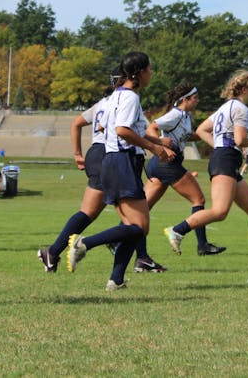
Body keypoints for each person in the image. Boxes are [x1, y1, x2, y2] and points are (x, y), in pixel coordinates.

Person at [163, 70, 248, 266]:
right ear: (243, 89)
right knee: (220, 211)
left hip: (225, 158)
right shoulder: (241, 109)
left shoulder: (226, 107)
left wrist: (219, 146)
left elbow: (201, 130)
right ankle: (177, 230)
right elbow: (240, 139)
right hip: (225, 160)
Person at [66, 52, 176, 290]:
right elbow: (122, 130)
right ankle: (84, 244)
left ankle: (116, 279)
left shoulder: (116, 96)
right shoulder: (130, 98)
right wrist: (154, 149)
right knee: (139, 227)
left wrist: (156, 143)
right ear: (139, 73)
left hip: (116, 161)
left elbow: (124, 128)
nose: (152, 73)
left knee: (132, 227)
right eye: (149, 69)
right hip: (121, 162)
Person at [141, 83, 226, 263]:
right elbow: (151, 128)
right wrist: (161, 144)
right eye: (195, 98)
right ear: (185, 99)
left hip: (159, 163)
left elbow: (188, 136)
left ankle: (117, 240)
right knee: (199, 200)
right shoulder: (176, 114)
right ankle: (200, 244)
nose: (198, 101)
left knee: (142, 207)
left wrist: (214, 134)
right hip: (167, 163)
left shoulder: (185, 116)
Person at [36, 88, 114, 273]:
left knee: (89, 212)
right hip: (109, 154)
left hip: (96, 152)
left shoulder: (100, 104)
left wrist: (78, 154)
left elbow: (76, 123)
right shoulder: (123, 101)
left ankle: (53, 252)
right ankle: (124, 248)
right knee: (136, 209)